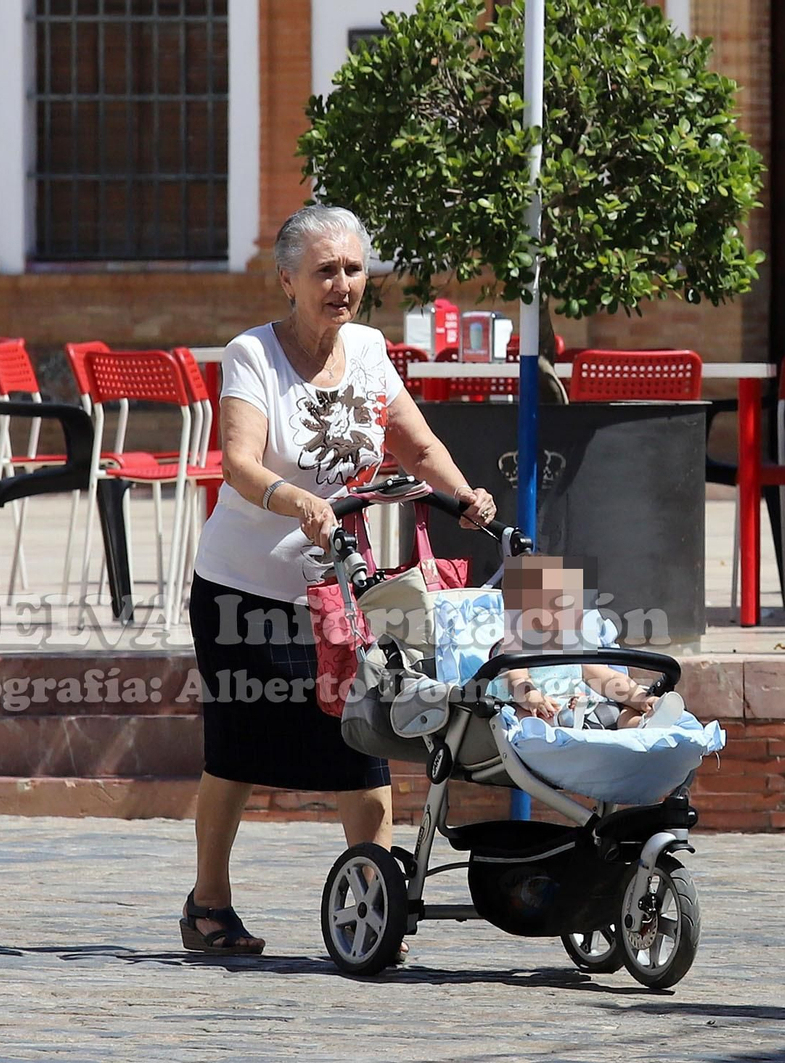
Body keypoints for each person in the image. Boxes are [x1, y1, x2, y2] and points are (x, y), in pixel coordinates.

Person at [182, 204, 496, 955]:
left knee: (366, 743)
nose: (343, 283)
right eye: (326, 270)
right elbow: (241, 462)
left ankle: (377, 904)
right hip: (244, 592)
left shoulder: (367, 348)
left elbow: (417, 446)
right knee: (238, 751)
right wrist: (299, 502)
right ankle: (207, 903)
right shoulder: (251, 354)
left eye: (354, 268)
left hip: (342, 596)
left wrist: (468, 500)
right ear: (288, 278)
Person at [487, 555, 676, 729]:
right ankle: (570, 725)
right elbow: (518, 680)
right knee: (521, 716)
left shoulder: (571, 645)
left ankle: (642, 725)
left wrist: (638, 697)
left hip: (580, 707)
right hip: (542, 711)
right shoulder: (513, 646)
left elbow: (604, 677)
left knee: (622, 709)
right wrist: (532, 697)